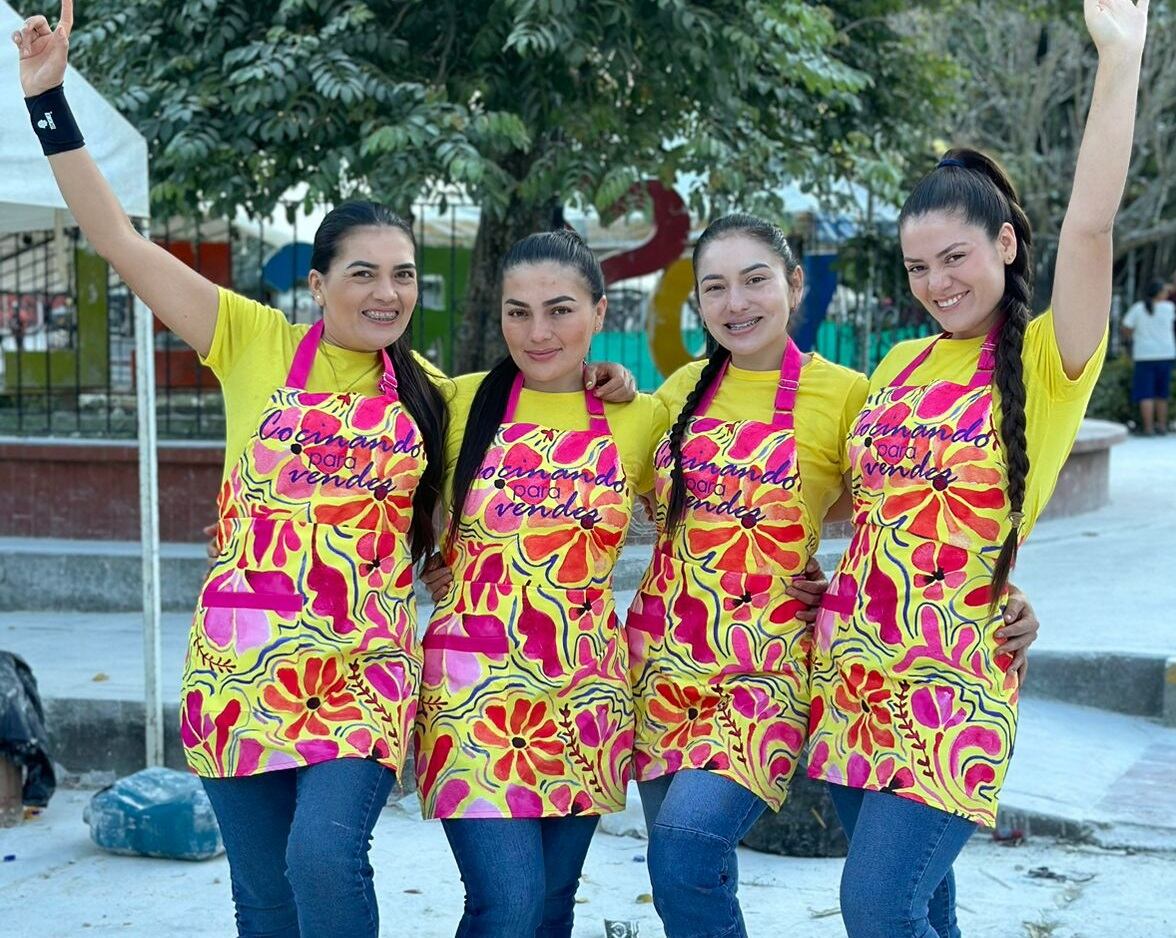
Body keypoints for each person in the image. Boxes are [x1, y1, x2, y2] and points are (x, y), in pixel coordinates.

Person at [13, 6, 635, 935]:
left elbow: (537, 389)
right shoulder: (250, 341)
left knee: (324, 854)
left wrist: (600, 373)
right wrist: (48, 99)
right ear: (319, 283)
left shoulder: (437, 391)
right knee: (263, 898)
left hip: (364, 673)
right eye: (363, 274)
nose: (387, 293)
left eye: (404, 275)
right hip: (238, 670)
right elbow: (119, 241)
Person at [806, 3, 1148, 936]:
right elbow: (855, 504)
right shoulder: (898, 365)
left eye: (954, 256)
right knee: (924, 908)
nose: (936, 282)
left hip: (956, 682)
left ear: (1003, 243)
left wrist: (1120, 60)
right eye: (918, 267)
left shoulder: (1045, 359)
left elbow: (1088, 228)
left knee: (875, 908)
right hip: (851, 673)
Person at [625, 214, 1042, 938]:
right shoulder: (676, 393)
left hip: (769, 669)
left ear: (794, 286)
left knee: (687, 843)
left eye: (756, 280)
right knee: (681, 873)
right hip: (662, 668)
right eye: (715, 288)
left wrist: (1002, 588)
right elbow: (598, 498)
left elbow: (912, 504)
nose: (736, 304)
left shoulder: (849, 393)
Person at [414, 230, 667, 938]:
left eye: (559, 310)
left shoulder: (641, 417)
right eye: (517, 312)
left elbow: (714, 522)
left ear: (601, 312)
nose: (537, 331)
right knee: (510, 904)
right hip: (473, 694)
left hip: (584, 691)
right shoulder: (455, 402)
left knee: (552, 907)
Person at [1120, 278, 1174, 435]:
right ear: (1159, 293)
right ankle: (1162, 426)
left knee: (1146, 393)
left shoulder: (1138, 308)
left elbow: (1126, 328)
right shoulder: (1169, 308)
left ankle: (1149, 428)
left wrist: (1135, 336)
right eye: (1165, 290)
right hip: (1165, 354)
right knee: (1162, 393)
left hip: (1144, 355)